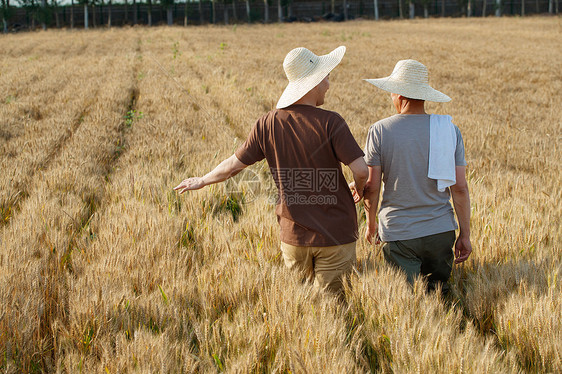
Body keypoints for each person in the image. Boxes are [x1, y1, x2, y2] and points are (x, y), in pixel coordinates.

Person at [175, 46, 368, 296]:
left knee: (299, 308)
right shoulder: (331, 122)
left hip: (293, 237)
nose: (329, 84)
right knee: (334, 308)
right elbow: (361, 170)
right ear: (315, 82)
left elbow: (233, 165)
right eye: (326, 77)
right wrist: (359, 189)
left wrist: (202, 180)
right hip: (336, 236)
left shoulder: (267, 123)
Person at [355, 59, 472, 293]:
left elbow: (373, 185)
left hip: (400, 233)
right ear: (423, 94)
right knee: (440, 297)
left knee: (407, 303)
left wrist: (370, 223)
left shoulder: (380, 130)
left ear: (399, 94)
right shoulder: (448, 129)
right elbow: (459, 188)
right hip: (441, 232)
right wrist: (465, 235)